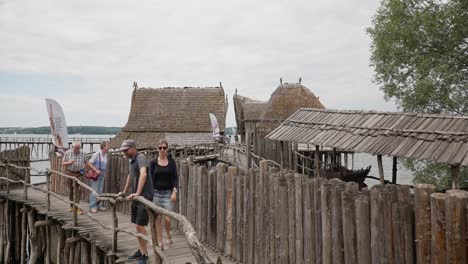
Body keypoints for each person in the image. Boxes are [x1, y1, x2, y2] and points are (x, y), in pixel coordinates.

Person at [118, 139, 153, 264]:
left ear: (133, 148)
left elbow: (143, 174)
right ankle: (141, 250)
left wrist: (137, 193)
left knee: (140, 225)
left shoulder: (141, 158)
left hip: (144, 197)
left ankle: (145, 254)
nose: (124, 153)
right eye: (123, 151)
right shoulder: (131, 160)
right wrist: (124, 191)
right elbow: (130, 175)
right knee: (137, 225)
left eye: (126, 150)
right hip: (137, 197)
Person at [149, 139, 178, 248]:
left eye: (164, 148)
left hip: (167, 193)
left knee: (167, 218)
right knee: (158, 218)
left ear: (167, 149)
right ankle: (160, 241)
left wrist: (174, 191)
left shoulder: (172, 162)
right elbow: (150, 179)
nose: (162, 150)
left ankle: (169, 235)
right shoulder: (153, 162)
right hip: (156, 193)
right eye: (160, 148)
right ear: (157, 149)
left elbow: (175, 178)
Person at [62, 141, 88, 214]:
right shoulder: (68, 153)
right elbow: (63, 163)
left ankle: (77, 208)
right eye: (76, 148)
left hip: (79, 174)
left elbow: (86, 162)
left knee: (78, 191)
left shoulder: (83, 153)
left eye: (79, 148)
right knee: (70, 191)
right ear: (72, 147)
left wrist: (89, 170)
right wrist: (69, 163)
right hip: (70, 173)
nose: (77, 150)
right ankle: (71, 206)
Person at [87, 140, 110, 213]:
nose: (109, 147)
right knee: (94, 191)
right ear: (103, 146)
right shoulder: (97, 154)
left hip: (102, 174)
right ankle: (92, 206)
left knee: (100, 191)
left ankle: (99, 206)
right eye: (108, 145)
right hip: (96, 175)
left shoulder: (105, 154)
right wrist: (95, 170)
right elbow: (89, 163)